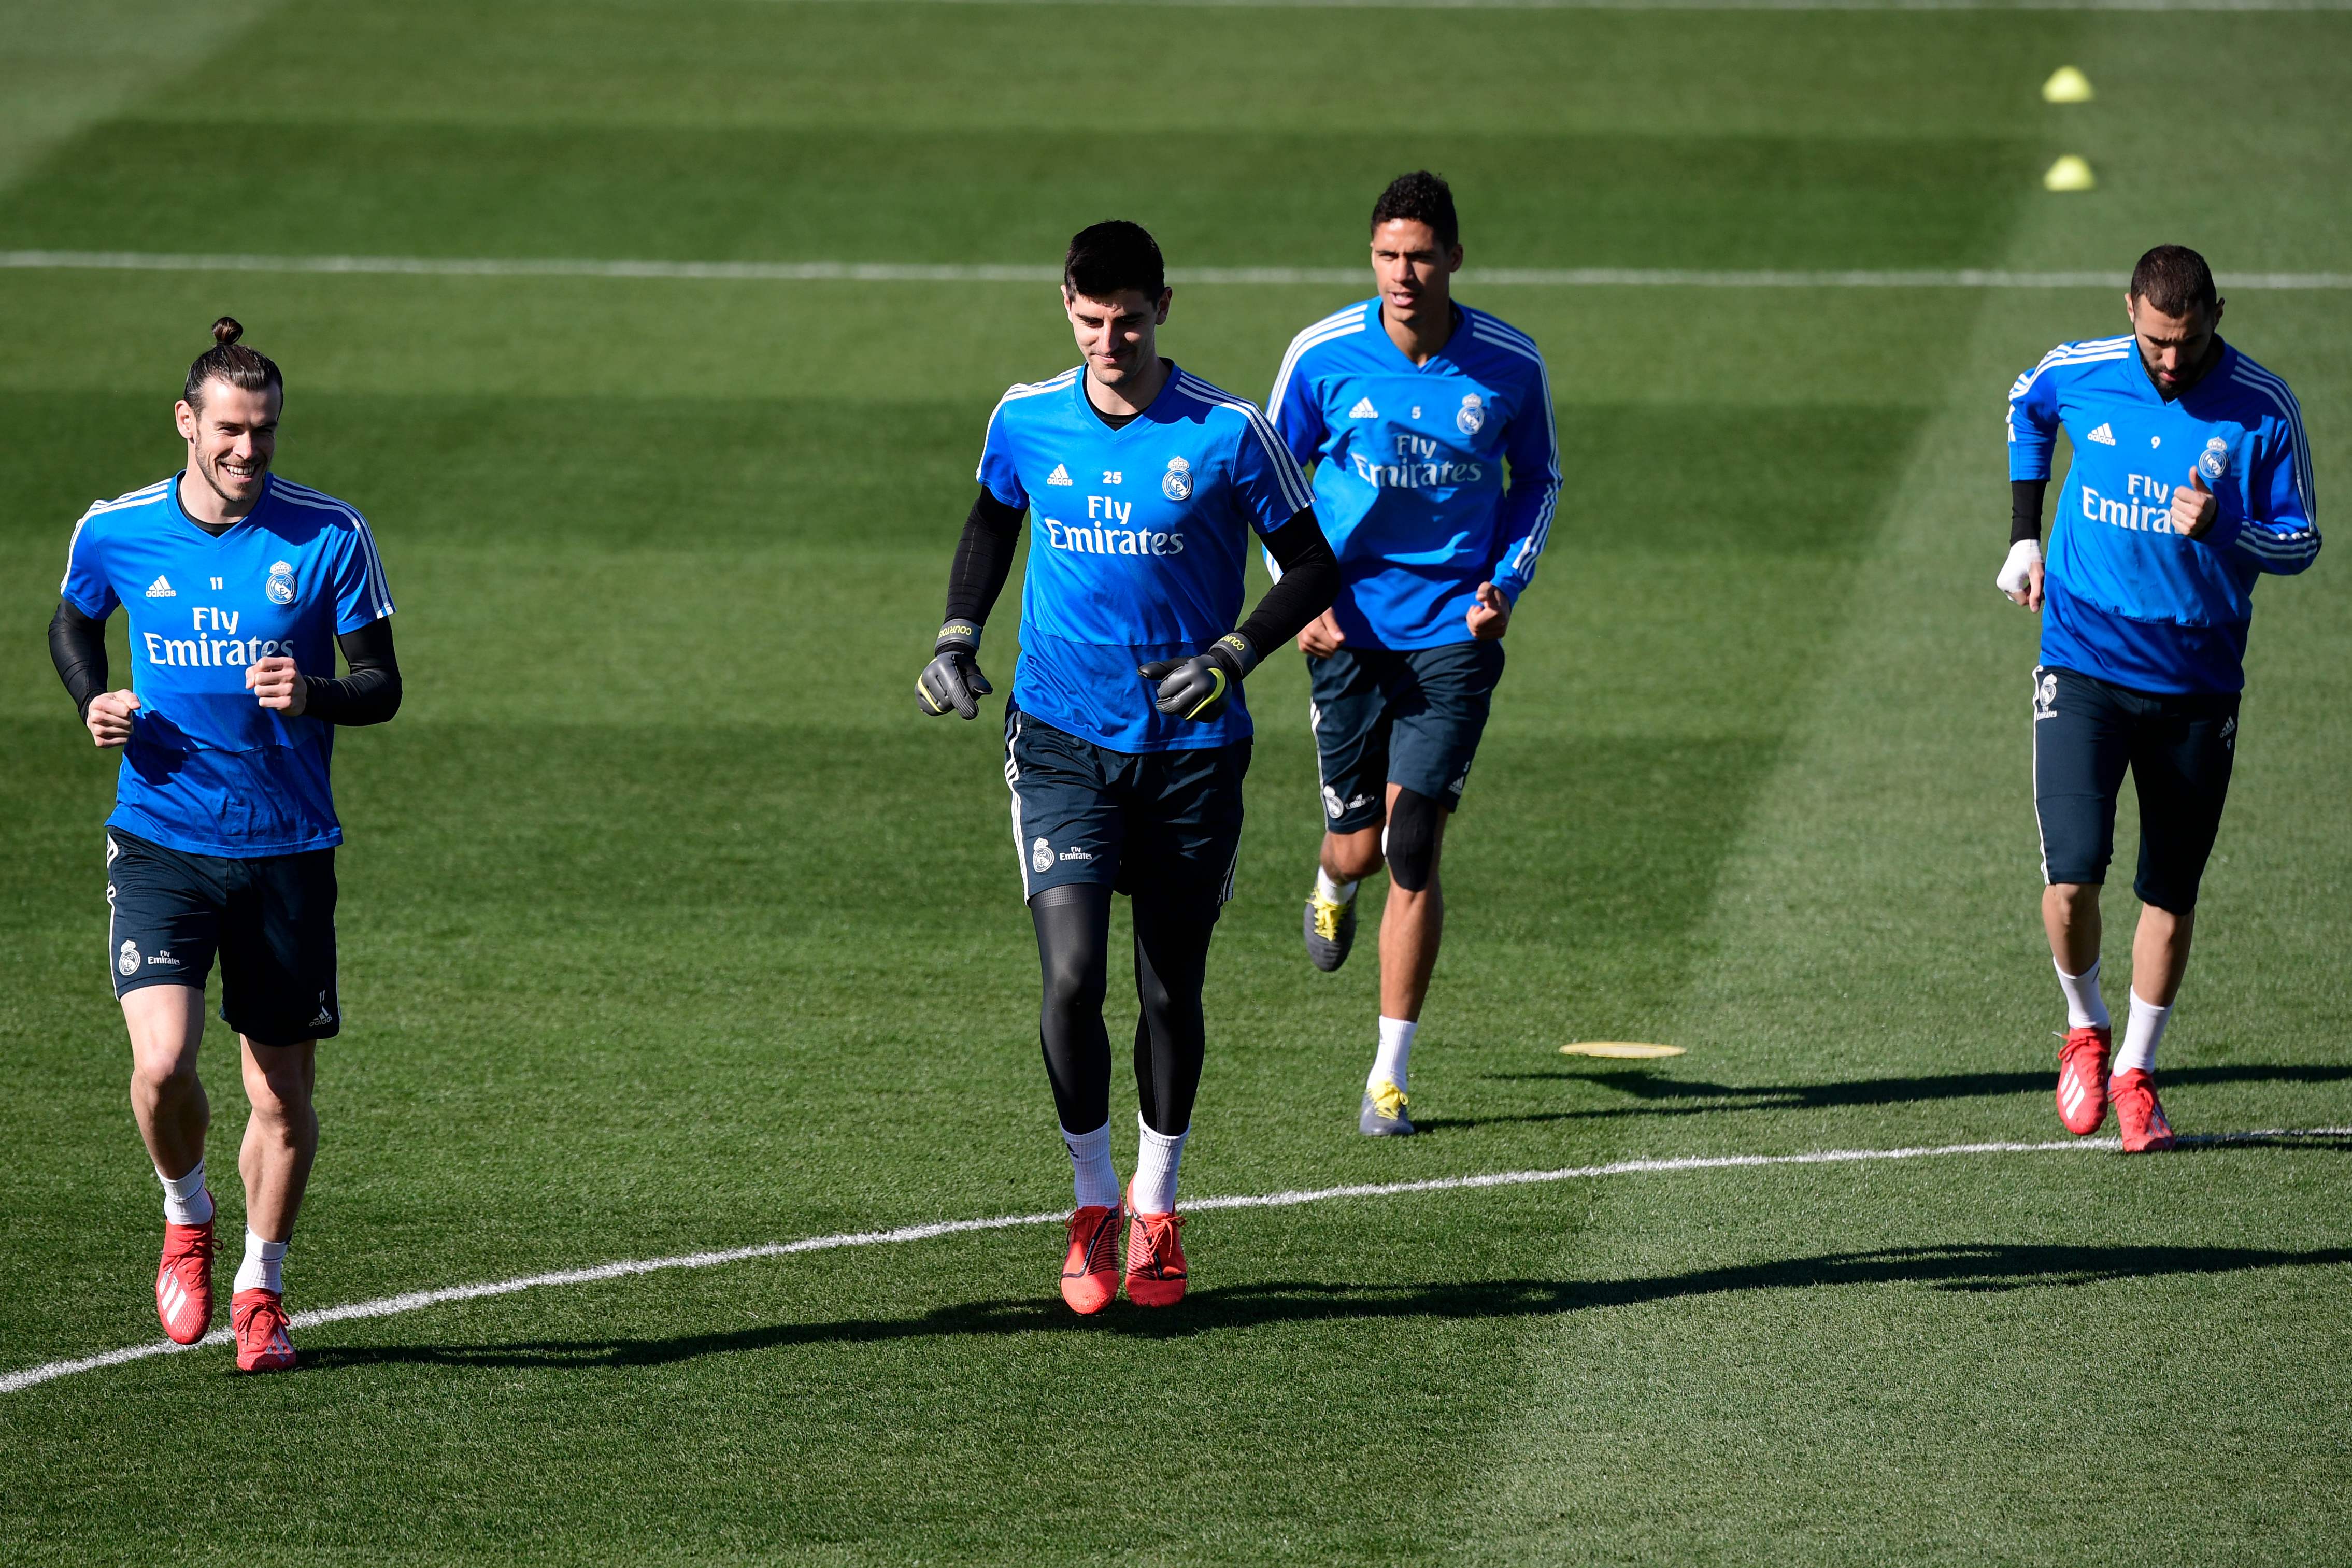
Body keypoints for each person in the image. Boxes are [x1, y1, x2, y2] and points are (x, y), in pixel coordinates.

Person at [916, 221, 1337, 1314]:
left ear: (1164, 307)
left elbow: (1312, 565)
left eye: (1131, 320)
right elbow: (990, 516)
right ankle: (1092, 1200)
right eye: (1093, 319)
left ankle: (1158, 1204)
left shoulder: (1229, 430)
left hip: (1193, 757)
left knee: (1167, 987)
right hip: (1059, 737)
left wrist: (1233, 652)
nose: (1112, 340)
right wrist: (956, 633)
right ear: (1065, 304)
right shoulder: (1024, 416)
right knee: (1068, 976)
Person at [50, 318, 402, 1370]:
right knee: (161, 1067)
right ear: (187, 422)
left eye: (265, 433)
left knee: (279, 1097)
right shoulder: (117, 530)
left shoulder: (329, 534)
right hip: (160, 835)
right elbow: (73, 622)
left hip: (286, 848)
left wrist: (319, 694)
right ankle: (186, 1211)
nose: (249, 452)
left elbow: (382, 685)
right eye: (232, 432)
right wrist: (92, 700)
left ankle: (262, 1288)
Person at [1999, 245, 2318, 1151]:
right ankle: (2085, 1026)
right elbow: (2027, 407)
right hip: (2084, 665)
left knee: (2169, 894)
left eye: (2184, 341)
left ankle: (2137, 1071)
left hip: (2197, 686)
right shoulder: (2085, 370)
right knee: (2071, 878)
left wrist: (2228, 525)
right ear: (2130, 310)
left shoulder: (2264, 408)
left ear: (2217, 311)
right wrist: (2025, 537)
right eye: (2154, 340)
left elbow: (2301, 545)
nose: (2168, 360)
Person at [1266, 171, 1559, 1137]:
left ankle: (1388, 1074)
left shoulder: (1509, 364)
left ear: (1455, 258)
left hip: (1451, 634)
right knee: (1356, 842)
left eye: (1422, 254)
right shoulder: (1322, 355)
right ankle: (1329, 879)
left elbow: (1538, 480)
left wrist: (1503, 583)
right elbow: (1269, 476)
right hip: (1347, 630)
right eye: (1388, 254)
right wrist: (1297, 592)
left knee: (1414, 845)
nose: (1404, 272)